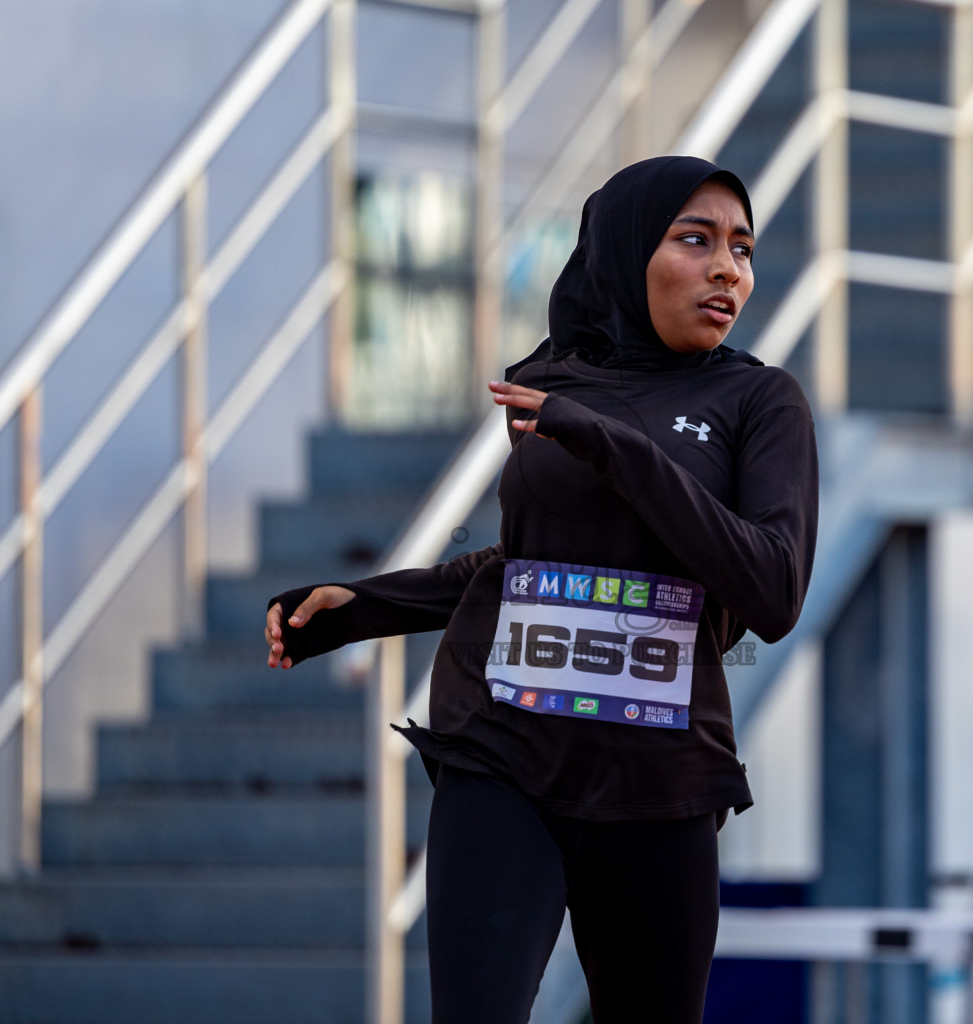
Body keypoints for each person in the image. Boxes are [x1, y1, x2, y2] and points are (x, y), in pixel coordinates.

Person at [262, 155, 820, 1024]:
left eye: (742, 249)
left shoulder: (758, 402)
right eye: (696, 239)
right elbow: (535, 567)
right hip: (506, 751)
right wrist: (368, 606)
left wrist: (616, 450)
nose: (727, 269)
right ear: (624, 249)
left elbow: (773, 591)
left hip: (660, 778)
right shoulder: (553, 381)